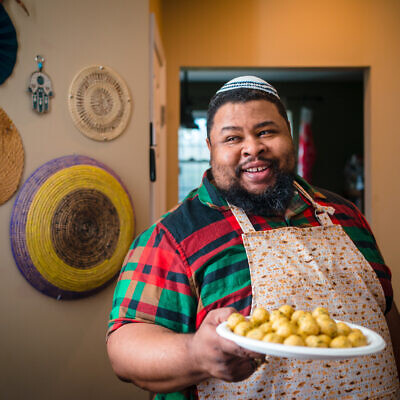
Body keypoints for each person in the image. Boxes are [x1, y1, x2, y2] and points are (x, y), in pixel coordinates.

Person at [107, 76, 400, 399]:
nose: (253, 148)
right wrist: (196, 355)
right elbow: (125, 347)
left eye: (266, 132)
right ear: (210, 148)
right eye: (232, 138)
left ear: (289, 134)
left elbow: (385, 313)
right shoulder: (173, 235)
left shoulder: (345, 215)